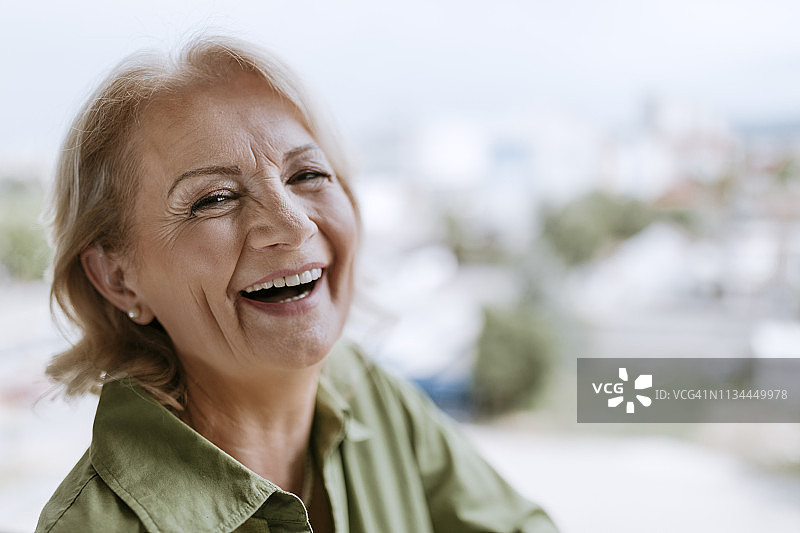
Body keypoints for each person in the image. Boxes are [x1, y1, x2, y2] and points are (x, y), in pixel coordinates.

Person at [36, 35, 558, 533]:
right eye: (214, 199)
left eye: (307, 175)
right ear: (118, 278)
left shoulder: (364, 389)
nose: (293, 225)